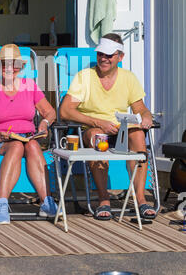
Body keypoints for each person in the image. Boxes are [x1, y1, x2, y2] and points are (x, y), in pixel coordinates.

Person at [59, 33, 156, 221]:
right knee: (97, 136)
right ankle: (104, 199)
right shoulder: (85, 77)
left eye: (109, 55)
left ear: (120, 57)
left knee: (137, 134)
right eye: (100, 54)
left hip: (120, 129)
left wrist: (146, 117)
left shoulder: (128, 78)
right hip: (93, 129)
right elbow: (65, 111)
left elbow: (140, 108)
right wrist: (97, 122)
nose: (103, 58)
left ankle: (141, 198)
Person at [0, 44, 58, 224]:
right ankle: (1, 203)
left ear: (20, 67)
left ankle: (46, 201)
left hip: (27, 137)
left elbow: (50, 112)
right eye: (5, 64)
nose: (9, 68)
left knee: (32, 145)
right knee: (15, 146)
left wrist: (44, 124)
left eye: (14, 64)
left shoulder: (30, 86)